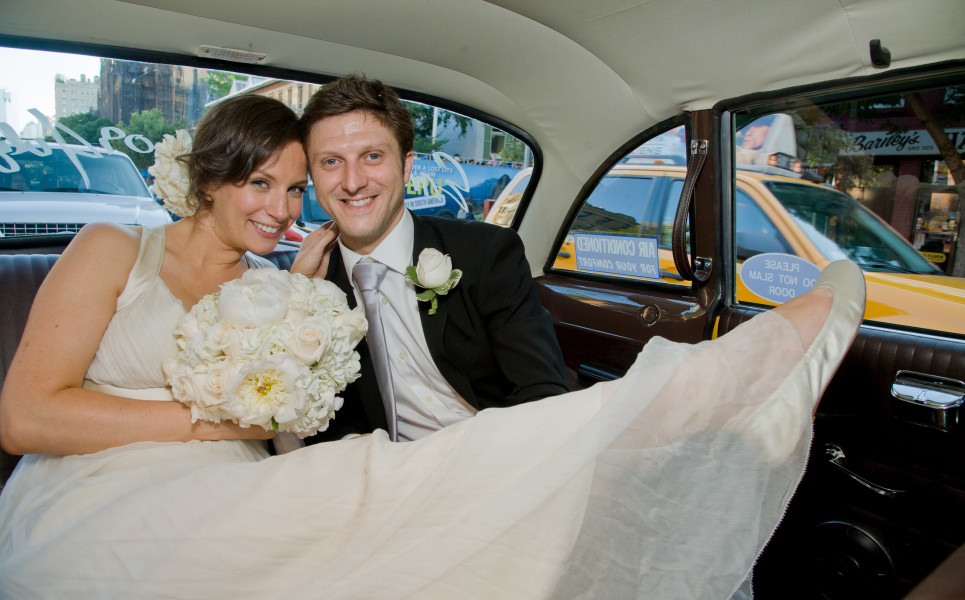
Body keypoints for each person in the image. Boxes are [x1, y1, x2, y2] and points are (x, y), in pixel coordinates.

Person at [0, 92, 867, 599]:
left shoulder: (432, 261)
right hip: (106, 480)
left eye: (296, 184)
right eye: (267, 181)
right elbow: (29, 412)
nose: (286, 203)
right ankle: (712, 380)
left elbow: (536, 395)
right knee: (353, 480)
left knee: (438, 468)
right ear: (208, 179)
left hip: (411, 451)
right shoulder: (122, 248)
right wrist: (220, 421)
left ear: (404, 166)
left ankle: (729, 374)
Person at [295, 75, 568, 442]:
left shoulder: (487, 254)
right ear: (313, 174)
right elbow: (313, 418)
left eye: (372, 156)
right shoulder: (309, 289)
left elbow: (542, 395)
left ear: (406, 166)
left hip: (502, 455)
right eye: (331, 162)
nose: (352, 181)